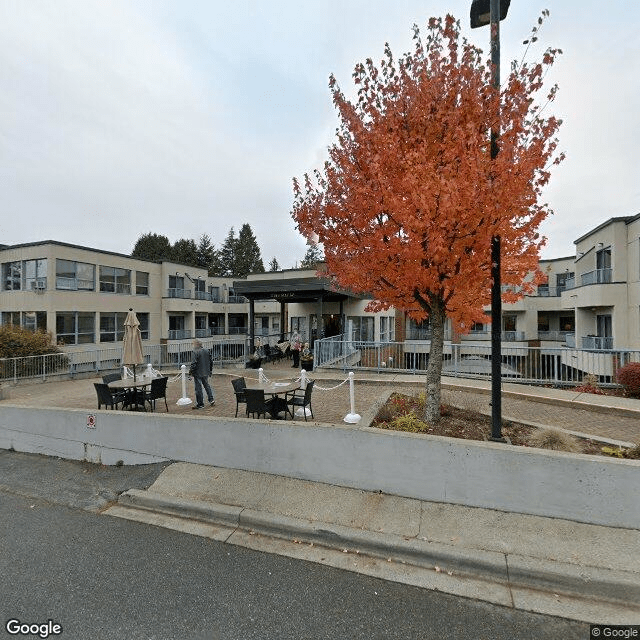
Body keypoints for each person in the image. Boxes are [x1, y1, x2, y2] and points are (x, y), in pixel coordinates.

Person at [189, 340, 215, 409]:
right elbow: (211, 361)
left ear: (196, 345)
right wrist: (210, 370)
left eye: (193, 344)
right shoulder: (207, 351)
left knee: (198, 388)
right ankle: (211, 399)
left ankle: (200, 404)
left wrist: (190, 372)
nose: (192, 346)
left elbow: (193, 363)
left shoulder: (195, 352)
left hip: (198, 373)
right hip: (206, 372)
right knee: (207, 386)